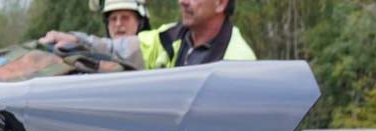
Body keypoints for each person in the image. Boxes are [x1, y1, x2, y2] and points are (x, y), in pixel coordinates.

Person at [40, 0, 255, 70]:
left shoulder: (238, 61)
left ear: (221, 3)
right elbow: (119, 48)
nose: (182, 1)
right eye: (113, 18)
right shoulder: (171, 36)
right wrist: (77, 40)